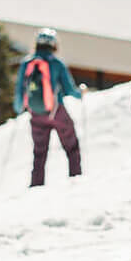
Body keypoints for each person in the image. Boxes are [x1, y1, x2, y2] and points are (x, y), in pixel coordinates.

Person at [14, 28, 83, 187]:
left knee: (39, 153)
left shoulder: (27, 63)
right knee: (72, 147)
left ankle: (36, 186)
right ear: (54, 45)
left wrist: (19, 108)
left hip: (36, 114)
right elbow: (69, 90)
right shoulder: (57, 63)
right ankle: (76, 181)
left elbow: (20, 89)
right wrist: (81, 93)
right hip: (56, 112)